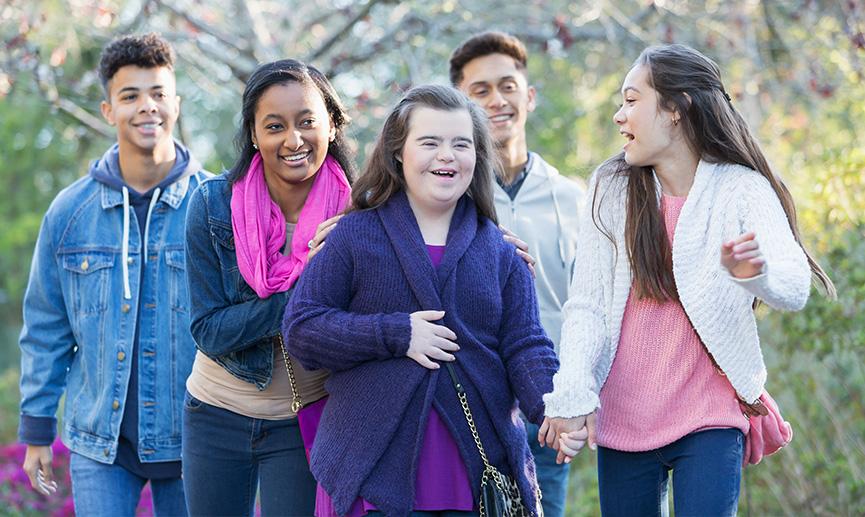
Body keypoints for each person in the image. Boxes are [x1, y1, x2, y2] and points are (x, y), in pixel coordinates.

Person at [540, 44, 835, 516]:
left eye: (632, 100)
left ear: (676, 109)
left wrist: (757, 274)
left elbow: (794, 284)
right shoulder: (611, 187)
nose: (620, 115)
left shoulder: (741, 188)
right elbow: (588, 306)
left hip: (709, 416)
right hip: (625, 417)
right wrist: (573, 391)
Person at [282, 84, 558, 517]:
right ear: (398, 153)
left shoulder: (502, 252)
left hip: (478, 479)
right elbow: (302, 329)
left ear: (477, 157)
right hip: (372, 474)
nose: (446, 155)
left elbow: (526, 345)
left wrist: (555, 408)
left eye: (460, 144)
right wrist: (397, 333)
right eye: (429, 142)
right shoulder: (354, 237)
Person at [18, 33, 209, 516]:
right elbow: (46, 327)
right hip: (99, 442)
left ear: (177, 104)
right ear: (108, 110)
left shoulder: (216, 207)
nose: (147, 107)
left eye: (158, 93)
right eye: (130, 96)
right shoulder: (70, 213)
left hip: (197, 437)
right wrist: (37, 428)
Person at [182, 58, 355, 516]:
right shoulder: (212, 205)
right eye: (274, 126)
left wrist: (487, 239)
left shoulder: (360, 217)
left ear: (332, 126)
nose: (293, 140)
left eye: (307, 122)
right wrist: (302, 294)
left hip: (305, 418)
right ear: (255, 136)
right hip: (215, 415)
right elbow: (209, 330)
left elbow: (428, 228)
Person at [449, 31, 584, 517]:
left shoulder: (574, 200)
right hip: (466, 408)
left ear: (528, 96)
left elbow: (590, 309)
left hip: (546, 409)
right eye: (479, 90)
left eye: (507, 85)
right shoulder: (443, 197)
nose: (496, 100)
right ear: (459, 106)